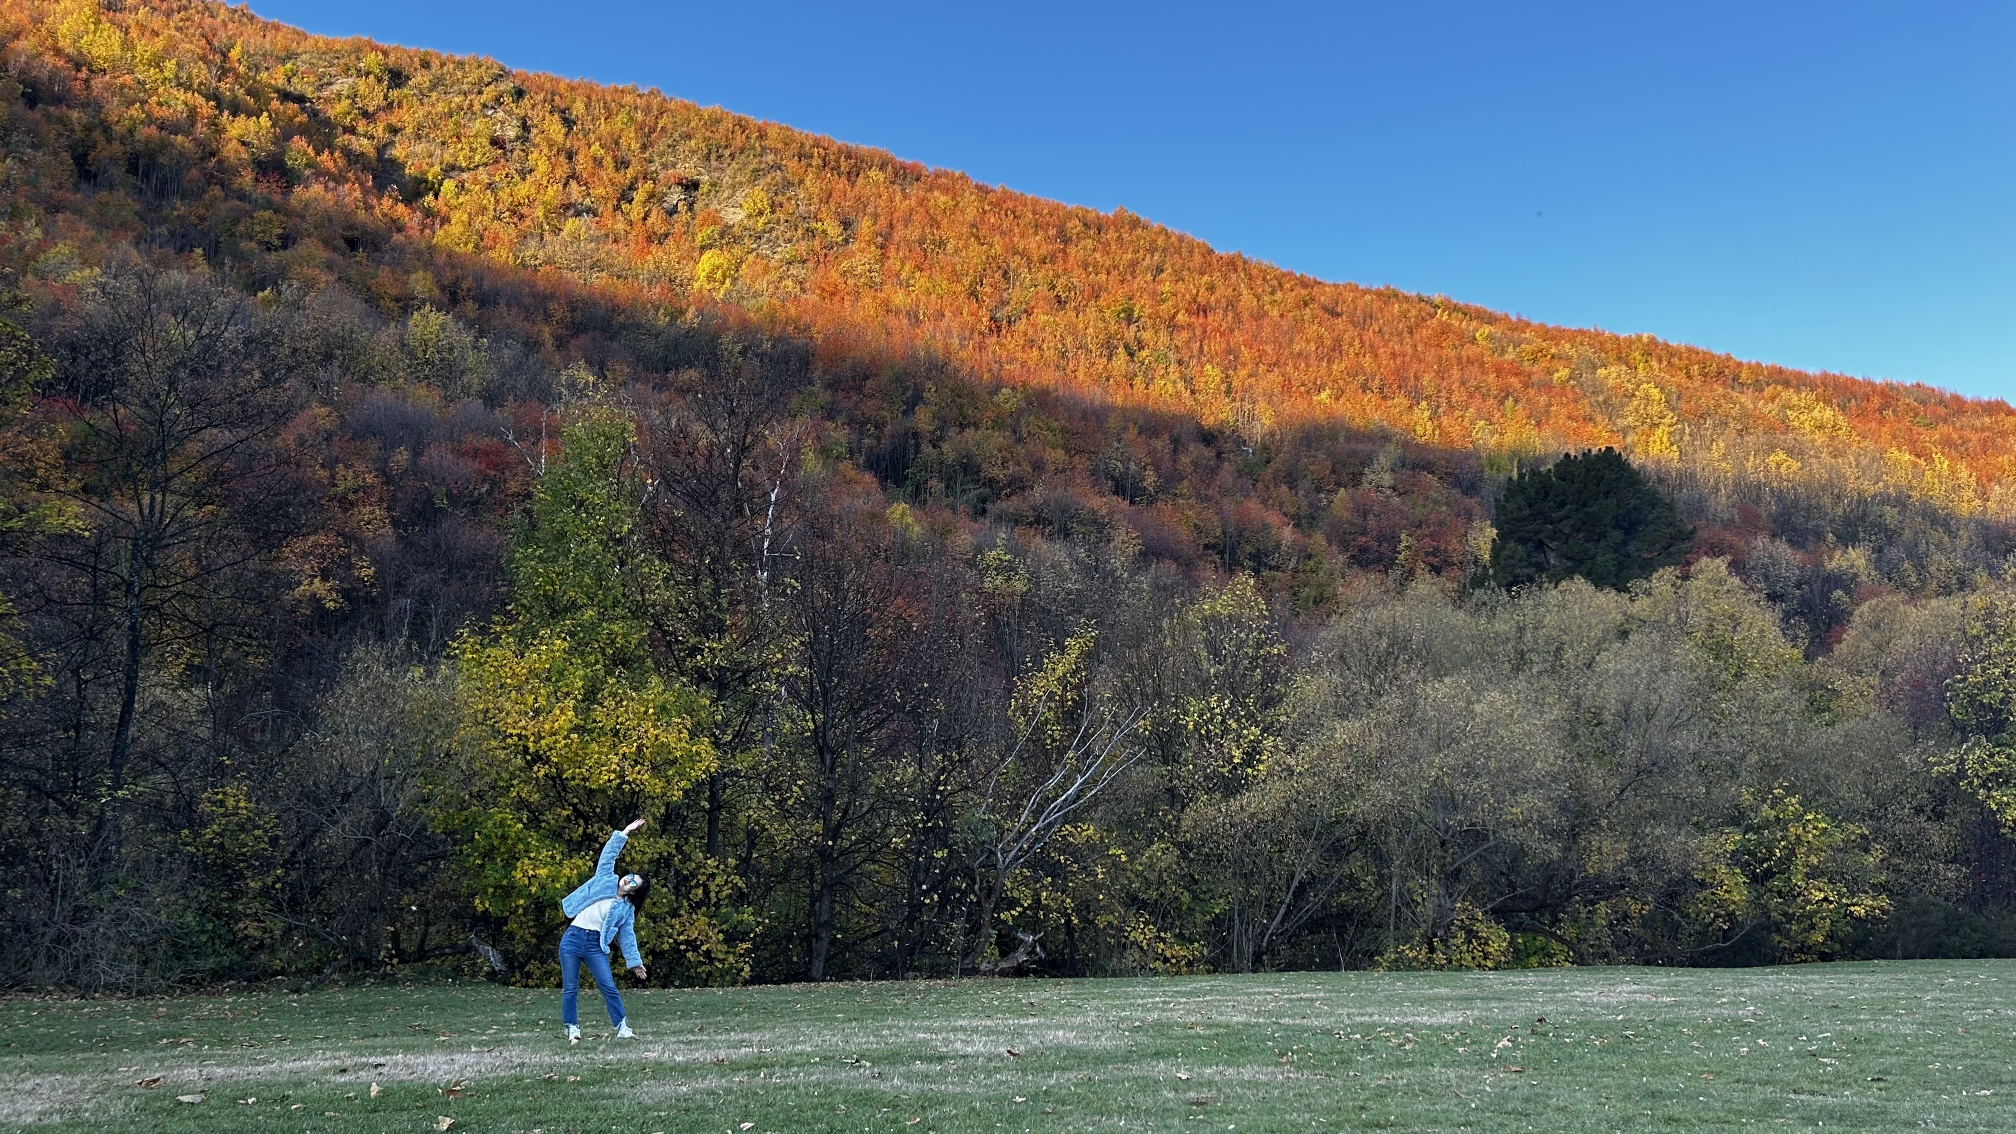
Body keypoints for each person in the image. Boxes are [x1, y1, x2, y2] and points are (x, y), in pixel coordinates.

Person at [557, 818, 652, 1043]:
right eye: (630, 877)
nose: (628, 880)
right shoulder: (605, 879)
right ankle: (572, 1029)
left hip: (594, 945)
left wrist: (635, 962)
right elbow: (608, 854)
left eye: (633, 883)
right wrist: (626, 831)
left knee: (608, 986)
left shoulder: (626, 909)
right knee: (570, 988)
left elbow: (627, 937)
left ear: (632, 892)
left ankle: (623, 1028)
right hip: (572, 938)